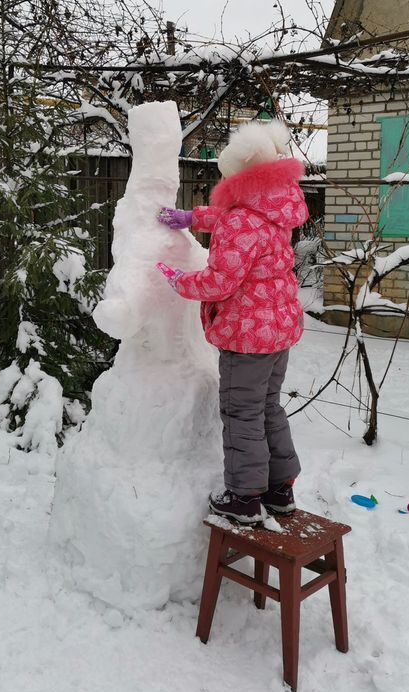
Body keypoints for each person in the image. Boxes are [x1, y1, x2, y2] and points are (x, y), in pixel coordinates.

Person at [157, 119, 309, 525]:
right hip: (279, 331)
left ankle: (243, 497)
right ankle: (280, 489)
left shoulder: (242, 220)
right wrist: (192, 218)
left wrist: (178, 281)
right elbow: (235, 219)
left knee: (242, 413)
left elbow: (219, 281)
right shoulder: (274, 207)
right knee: (268, 407)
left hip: (247, 337)